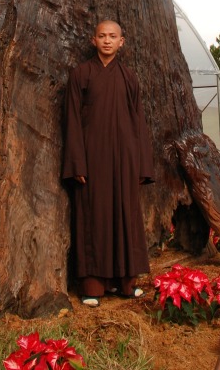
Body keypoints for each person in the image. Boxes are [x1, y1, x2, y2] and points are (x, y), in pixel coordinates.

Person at [62, 20, 154, 307]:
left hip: (125, 159)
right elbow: (72, 121)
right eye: (102, 36)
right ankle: (93, 285)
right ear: (93, 40)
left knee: (125, 216)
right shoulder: (81, 75)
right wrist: (77, 163)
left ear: (121, 42)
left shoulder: (129, 78)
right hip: (92, 159)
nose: (107, 40)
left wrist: (142, 165)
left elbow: (139, 121)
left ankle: (125, 283)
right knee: (94, 217)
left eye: (112, 36)